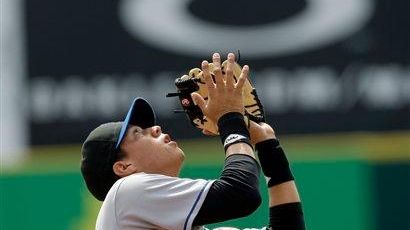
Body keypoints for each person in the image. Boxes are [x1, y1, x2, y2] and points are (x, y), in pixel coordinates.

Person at [80, 53, 306, 230]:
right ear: (123, 167)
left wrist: (267, 144)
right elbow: (241, 195)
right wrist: (230, 120)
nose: (156, 128)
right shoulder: (126, 191)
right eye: (139, 133)